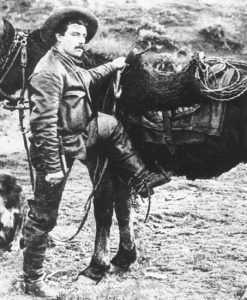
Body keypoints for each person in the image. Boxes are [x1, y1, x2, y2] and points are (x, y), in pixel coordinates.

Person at [23, 6, 169, 298]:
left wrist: (113, 65)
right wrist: (52, 166)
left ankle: (142, 177)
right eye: (75, 35)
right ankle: (32, 280)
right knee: (44, 216)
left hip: (78, 135)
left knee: (110, 124)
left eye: (84, 35)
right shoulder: (48, 72)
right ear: (57, 37)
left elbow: (87, 78)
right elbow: (43, 125)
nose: (81, 40)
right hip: (56, 149)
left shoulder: (68, 62)